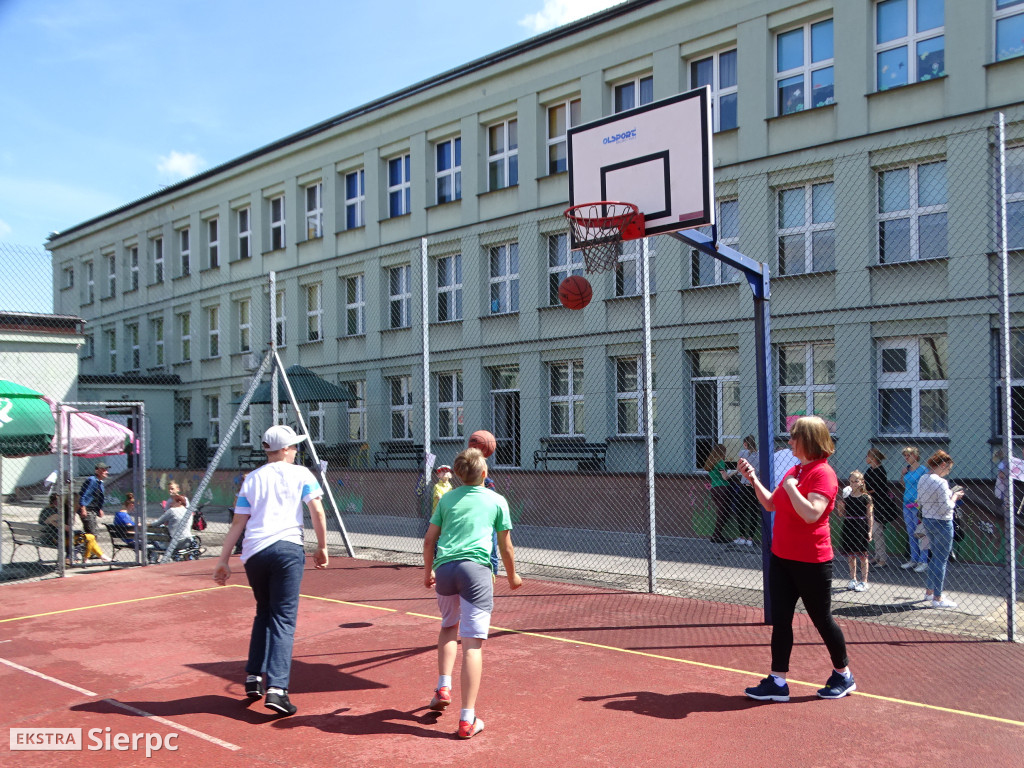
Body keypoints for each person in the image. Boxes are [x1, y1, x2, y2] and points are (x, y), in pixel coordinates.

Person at [737, 416, 855, 702]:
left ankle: (843, 675)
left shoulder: (822, 474)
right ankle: (778, 681)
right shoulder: (797, 471)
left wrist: (790, 486)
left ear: (808, 440)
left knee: (822, 619)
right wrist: (753, 478)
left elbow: (812, 513)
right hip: (782, 557)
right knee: (781, 620)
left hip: (812, 561)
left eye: (793, 437)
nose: (789, 442)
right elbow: (769, 503)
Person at [213, 425, 328, 718]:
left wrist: (223, 560)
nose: (296, 451)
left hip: (254, 552)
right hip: (287, 549)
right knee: (283, 619)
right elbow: (317, 510)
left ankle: (254, 677)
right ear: (287, 449)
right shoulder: (301, 474)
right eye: (294, 447)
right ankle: (278, 689)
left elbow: (238, 523)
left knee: (264, 611)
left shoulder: (251, 479)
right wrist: (322, 546)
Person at [423, 447, 522, 739]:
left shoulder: (447, 498)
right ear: (484, 473)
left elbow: (430, 540)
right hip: (475, 571)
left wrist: (427, 570)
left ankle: (443, 685)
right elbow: (506, 547)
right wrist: (513, 576)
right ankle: (467, 720)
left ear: (457, 474)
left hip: (445, 569)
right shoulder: (496, 500)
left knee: (447, 627)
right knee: (472, 645)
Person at [918, 450, 964, 609]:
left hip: (928, 520)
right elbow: (947, 507)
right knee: (941, 560)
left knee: (934, 557)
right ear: (943, 465)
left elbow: (923, 501)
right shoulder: (941, 482)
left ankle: (929, 592)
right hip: (943, 522)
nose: (947, 472)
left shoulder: (923, 478)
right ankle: (938, 597)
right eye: (948, 469)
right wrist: (955, 496)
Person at [40, 493, 108, 563]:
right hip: (58, 539)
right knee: (90, 537)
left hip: (51, 537)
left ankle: (100, 556)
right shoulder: (63, 511)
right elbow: (49, 520)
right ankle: (88, 558)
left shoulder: (61, 510)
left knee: (89, 537)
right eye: (79, 502)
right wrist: (61, 525)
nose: (80, 504)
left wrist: (74, 513)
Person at [837, 471, 873, 591]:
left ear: (862, 482)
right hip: (849, 525)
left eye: (856, 481)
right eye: (851, 481)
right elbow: (841, 514)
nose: (853, 484)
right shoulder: (847, 497)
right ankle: (853, 579)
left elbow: (870, 515)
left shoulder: (866, 497)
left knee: (863, 555)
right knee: (851, 555)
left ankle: (864, 581)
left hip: (861, 526)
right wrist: (840, 507)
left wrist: (870, 530)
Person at [863, 448, 897, 567]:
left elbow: (877, 488)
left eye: (868, 456)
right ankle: (877, 555)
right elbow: (864, 483)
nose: (866, 459)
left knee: (878, 530)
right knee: (874, 531)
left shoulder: (880, 471)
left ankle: (883, 559)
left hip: (879, 504)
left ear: (873, 458)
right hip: (871, 503)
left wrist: (866, 491)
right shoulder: (870, 470)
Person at [900, 446, 929, 573]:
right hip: (907, 503)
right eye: (905, 456)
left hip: (918, 504)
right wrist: (902, 475)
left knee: (921, 533)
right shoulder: (907, 470)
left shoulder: (923, 469)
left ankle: (924, 560)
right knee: (911, 532)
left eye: (909, 455)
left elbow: (928, 484)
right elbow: (904, 484)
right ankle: (914, 559)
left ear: (916, 456)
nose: (906, 458)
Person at [149, 494, 193, 562]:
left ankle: (153, 560)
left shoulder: (172, 510)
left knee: (153, 539)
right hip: (188, 541)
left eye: (173, 502)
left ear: (179, 502)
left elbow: (157, 523)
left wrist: (147, 524)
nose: (171, 504)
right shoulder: (189, 512)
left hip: (175, 543)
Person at [734, 435, 759, 547]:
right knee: (754, 511)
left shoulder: (743, 453)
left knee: (740, 510)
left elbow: (738, 469)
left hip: (744, 485)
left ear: (745, 444)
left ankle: (742, 536)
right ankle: (750, 538)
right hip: (755, 486)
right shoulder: (759, 454)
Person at [705, 444, 733, 544]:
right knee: (723, 513)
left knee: (722, 512)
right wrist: (735, 472)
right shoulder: (720, 462)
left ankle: (717, 535)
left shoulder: (710, 463)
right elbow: (725, 477)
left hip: (714, 489)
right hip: (722, 488)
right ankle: (716, 536)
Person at [78, 462, 109, 538]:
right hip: (88, 510)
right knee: (92, 534)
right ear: (97, 471)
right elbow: (85, 494)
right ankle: (88, 549)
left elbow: (98, 497)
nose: (106, 472)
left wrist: (99, 509)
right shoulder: (92, 480)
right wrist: (83, 508)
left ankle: (88, 548)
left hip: (93, 510)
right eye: (104, 470)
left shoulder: (100, 483)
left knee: (92, 534)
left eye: (106, 470)